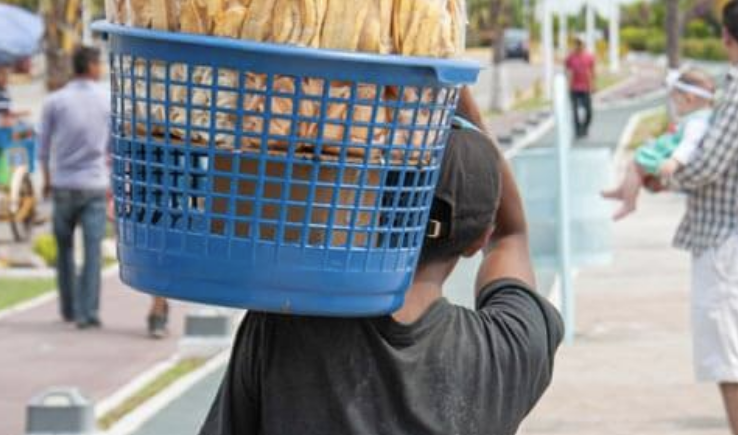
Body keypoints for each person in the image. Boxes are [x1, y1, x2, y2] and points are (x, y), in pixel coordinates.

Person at [198, 88, 564, 435]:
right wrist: (461, 101)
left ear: (372, 208)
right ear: (477, 240)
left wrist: (454, 93)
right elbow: (511, 236)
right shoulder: (509, 352)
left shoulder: (286, 327)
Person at [665, 0, 738, 434]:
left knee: (729, 356)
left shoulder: (733, 95)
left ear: (727, 36)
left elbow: (708, 165)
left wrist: (664, 175)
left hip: (724, 241)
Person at [38, 46, 110, 329]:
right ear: (91, 66)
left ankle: (68, 308)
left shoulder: (55, 101)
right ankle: (87, 312)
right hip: (94, 185)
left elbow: (43, 148)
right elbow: (113, 149)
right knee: (92, 252)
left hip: (63, 184)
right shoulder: (107, 100)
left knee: (64, 249)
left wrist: (46, 180)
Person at [602, 68, 715, 220]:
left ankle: (629, 202)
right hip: (669, 156)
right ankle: (623, 191)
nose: (676, 107)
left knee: (636, 163)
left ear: (689, 98)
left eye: (676, 102)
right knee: (636, 163)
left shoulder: (696, 122)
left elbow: (689, 144)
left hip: (670, 159)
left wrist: (675, 161)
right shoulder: (700, 117)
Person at [565, 37, 596, 138]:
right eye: (576, 44)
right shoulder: (570, 58)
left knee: (589, 112)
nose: (578, 46)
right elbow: (567, 72)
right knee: (575, 111)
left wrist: (593, 85)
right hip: (574, 88)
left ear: (583, 45)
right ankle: (578, 131)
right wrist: (567, 87)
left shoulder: (589, 57)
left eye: (580, 44)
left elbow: (592, 72)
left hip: (585, 88)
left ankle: (584, 127)